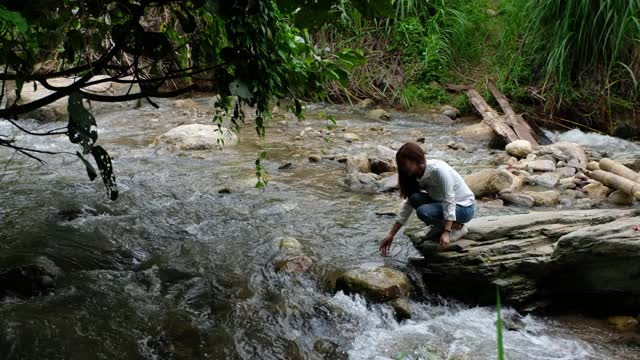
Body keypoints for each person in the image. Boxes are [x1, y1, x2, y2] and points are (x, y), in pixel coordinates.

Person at [380, 142, 475, 255]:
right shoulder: (415, 175)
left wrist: (446, 232)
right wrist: (391, 234)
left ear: (416, 159)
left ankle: (458, 228)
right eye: (401, 165)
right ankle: (444, 226)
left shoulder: (438, 170)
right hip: (443, 203)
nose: (403, 168)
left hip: (464, 207)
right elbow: (408, 205)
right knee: (414, 198)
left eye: (405, 164)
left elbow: (449, 200)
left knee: (424, 212)